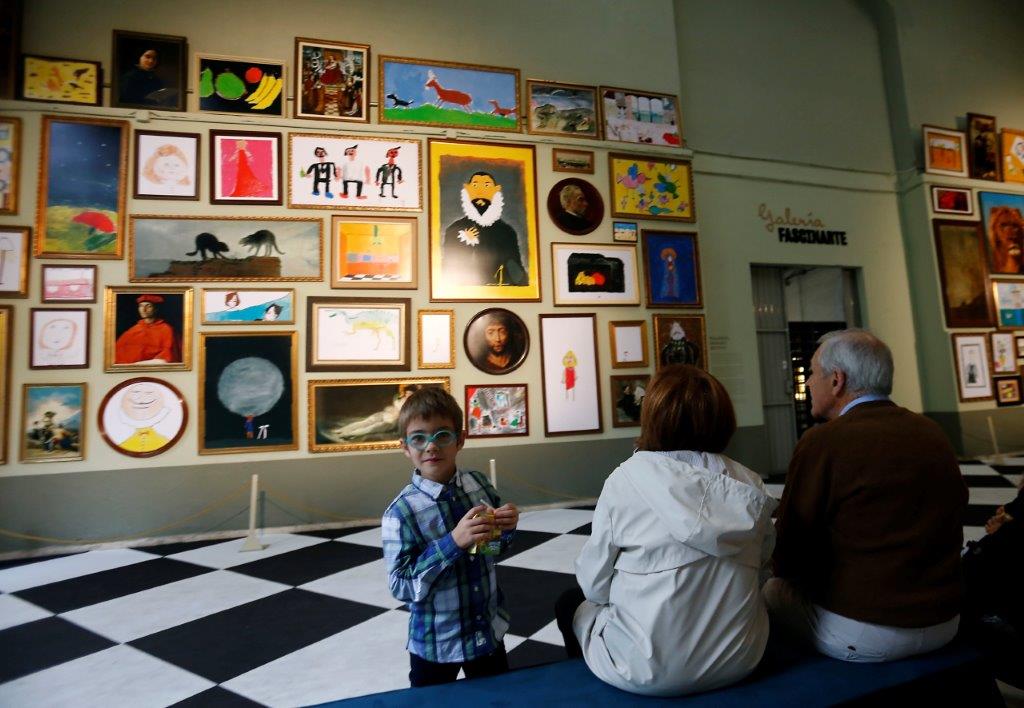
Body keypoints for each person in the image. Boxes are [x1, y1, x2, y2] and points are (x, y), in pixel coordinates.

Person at [554, 365, 777, 696]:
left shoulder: (626, 480)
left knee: (569, 603)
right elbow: (762, 567)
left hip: (645, 671)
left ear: (653, 417)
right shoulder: (749, 482)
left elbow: (595, 586)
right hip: (739, 660)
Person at [764, 329, 968, 662]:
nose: (808, 383)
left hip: (867, 632)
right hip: (946, 619)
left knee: (771, 591)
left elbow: (790, 551)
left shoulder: (823, 442)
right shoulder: (932, 431)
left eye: (812, 373)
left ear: (836, 381)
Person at [382, 387, 520, 688]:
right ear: (405, 447)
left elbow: (490, 551)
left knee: (498, 698)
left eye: (442, 435)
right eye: (419, 438)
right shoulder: (401, 512)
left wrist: (505, 531)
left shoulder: (478, 485)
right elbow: (401, 586)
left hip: (486, 631)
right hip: (435, 643)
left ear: (459, 440)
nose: (431, 447)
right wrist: (452, 543)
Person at [442, 171, 526, 287]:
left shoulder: (507, 232)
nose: (480, 191)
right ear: (467, 190)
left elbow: (517, 274)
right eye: (475, 186)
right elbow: (447, 272)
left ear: (496, 190)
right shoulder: (454, 230)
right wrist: (464, 243)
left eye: (487, 185)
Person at [114, 294, 181, 365]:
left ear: (156, 308)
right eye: (141, 306)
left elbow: (167, 357)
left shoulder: (166, 329)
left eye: (148, 306)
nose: (144, 309)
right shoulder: (133, 330)